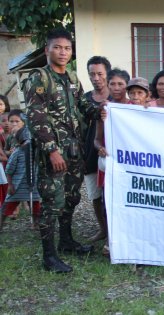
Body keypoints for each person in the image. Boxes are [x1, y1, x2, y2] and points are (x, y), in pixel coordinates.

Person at [25, 29, 97, 273]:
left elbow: (84, 106)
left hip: (74, 151)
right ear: (47, 50)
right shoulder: (39, 78)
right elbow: (36, 117)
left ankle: (66, 242)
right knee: (51, 202)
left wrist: (104, 111)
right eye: (57, 47)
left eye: (67, 48)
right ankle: (49, 257)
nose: (63, 52)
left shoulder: (72, 78)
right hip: (53, 154)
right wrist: (51, 150)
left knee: (71, 198)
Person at [84, 56, 111, 243]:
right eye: (92, 74)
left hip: (111, 153)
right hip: (90, 152)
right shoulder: (84, 99)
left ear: (107, 74)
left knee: (111, 193)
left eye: (100, 74)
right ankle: (102, 229)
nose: (96, 78)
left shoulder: (117, 97)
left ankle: (114, 230)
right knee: (95, 194)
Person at [0, 127, 41, 232]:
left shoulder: (36, 153)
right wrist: (10, 185)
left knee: (35, 205)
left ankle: (35, 224)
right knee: (8, 206)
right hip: (17, 185)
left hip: (32, 185)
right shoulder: (17, 153)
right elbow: (9, 170)